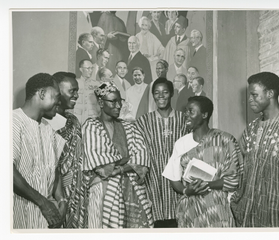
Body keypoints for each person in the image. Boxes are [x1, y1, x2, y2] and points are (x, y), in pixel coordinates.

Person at [162, 96, 243, 228]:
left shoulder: (225, 140)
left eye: (191, 111)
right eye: (185, 111)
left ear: (204, 115)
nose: (186, 115)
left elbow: (234, 179)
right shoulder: (181, 144)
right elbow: (173, 177)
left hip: (218, 209)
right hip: (191, 211)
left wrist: (207, 184)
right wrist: (186, 191)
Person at [82, 81, 153, 228]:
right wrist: (128, 162)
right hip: (104, 191)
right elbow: (103, 166)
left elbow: (142, 158)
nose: (119, 106)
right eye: (113, 101)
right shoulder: (91, 126)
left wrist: (119, 167)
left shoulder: (129, 126)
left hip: (132, 190)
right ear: (101, 103)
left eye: (120, 101)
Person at [230, 72, 279, 227]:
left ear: (270, 94)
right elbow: (236, 163)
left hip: (278, 215)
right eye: (250, 95)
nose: (249, 100)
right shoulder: (252, 128)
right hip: (248, 214)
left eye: (254, 95)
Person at [13, 73, 67, 228]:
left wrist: (61, 199)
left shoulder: (47, 128)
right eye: (56, 96)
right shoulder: (13, 121)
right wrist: (43, 203)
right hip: (20, 214)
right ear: (42, 94)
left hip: (46, 218)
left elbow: (54, 169)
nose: (59, 101)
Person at [136, 78, 187, 228]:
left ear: (171, 94)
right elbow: (139, 151)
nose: (161, 96)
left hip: (178, 178)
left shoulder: (183, 119)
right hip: (153, 179)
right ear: (153, 96)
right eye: (157, 93)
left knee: (179, 220)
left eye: (165, 92)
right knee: (157, 222)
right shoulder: (143, 121)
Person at [52, 72, 89, 228]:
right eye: (72, 91)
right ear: (57, 92)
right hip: (57, 194)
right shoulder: (47, 123)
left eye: (77, 91)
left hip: (78, 194)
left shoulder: (73, 121)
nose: (76, 95)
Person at [73, 59, 101, 125]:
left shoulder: (97, 84)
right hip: (77, 120)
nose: (90, 71)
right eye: (88, 68)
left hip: (92, 121)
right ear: (81, 69)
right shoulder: (75, 83)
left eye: (92, 68)